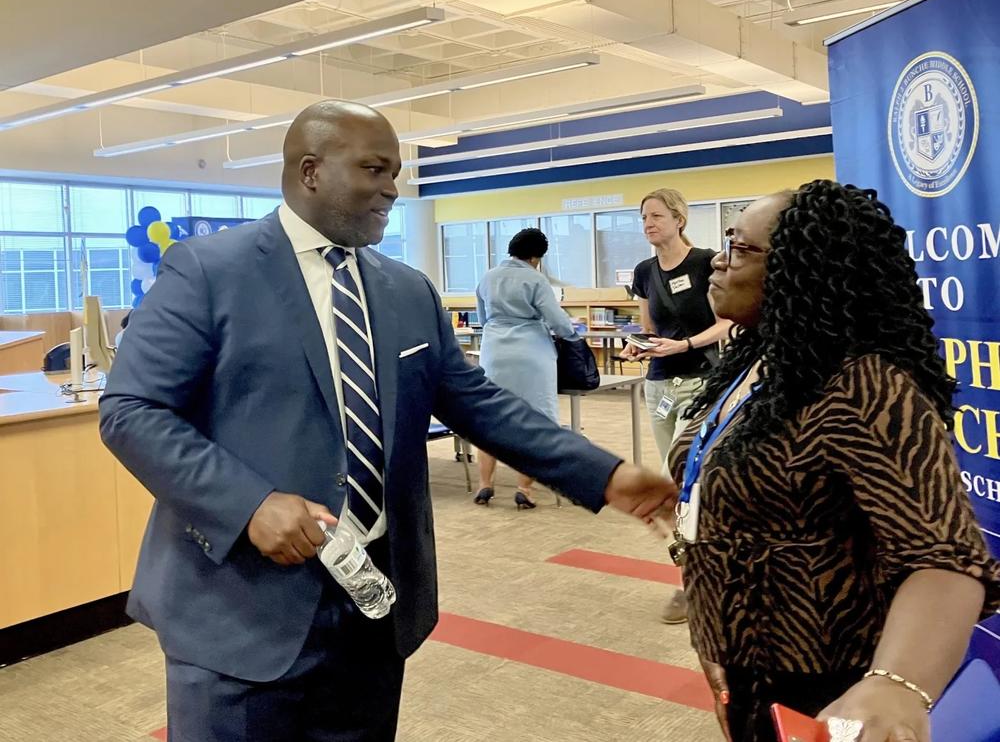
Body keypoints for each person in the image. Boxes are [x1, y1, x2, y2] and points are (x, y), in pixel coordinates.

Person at [99, 100, 676, 742]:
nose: (392, 189)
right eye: (374, 169)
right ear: (310, 171)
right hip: (240, 609)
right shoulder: (208, 270)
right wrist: (250, 504)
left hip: (372, 607)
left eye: (396, 171)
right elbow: (132, 411)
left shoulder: (407, 290)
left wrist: (604, 475)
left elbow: (476, 404)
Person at [667, 179, 1000, 742]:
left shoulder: (864, 388)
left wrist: (897, 684)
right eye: (726, 241)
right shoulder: (760, 357)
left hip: (829, 683)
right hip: (746, 660)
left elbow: (946, 557)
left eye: (742, 250)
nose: (718, 264)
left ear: (806, 269)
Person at [620, 187, 731, 624]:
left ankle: (698, 581)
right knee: (673, 481)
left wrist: (684, 343)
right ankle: (691, 572)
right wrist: (640, 348)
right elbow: (649, 329)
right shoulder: (645, 271)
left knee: (693, 479)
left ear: (679, 219)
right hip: (661, 384)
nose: (649, 224)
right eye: (644, 217)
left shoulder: (706, 263)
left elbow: (726, 322)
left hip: (703, 382)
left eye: (656, 216)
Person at [473, 227, 579, 510]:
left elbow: (483, 319)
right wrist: (572, 333)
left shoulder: (487, 277)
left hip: (494, 353)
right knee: (534, 422)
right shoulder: (536, 279)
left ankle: (485, 484)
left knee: (489, 420)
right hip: (532, 355)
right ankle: (524, 488)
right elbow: (558, 322)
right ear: (537, 257)